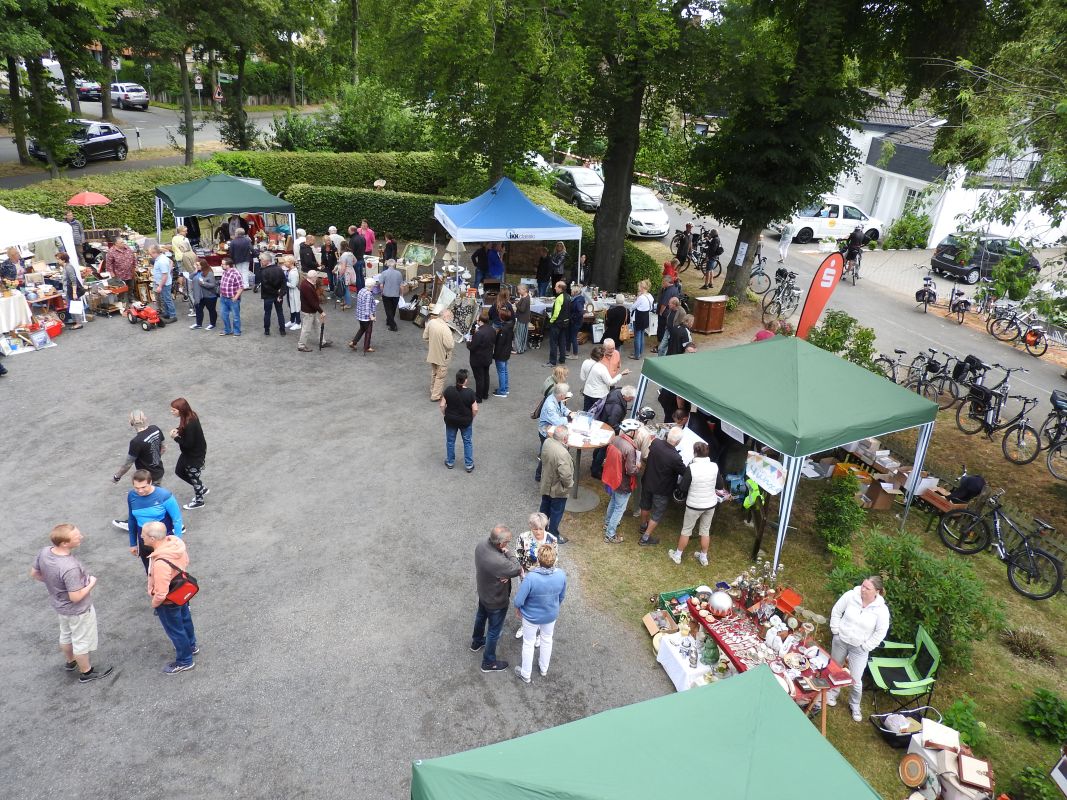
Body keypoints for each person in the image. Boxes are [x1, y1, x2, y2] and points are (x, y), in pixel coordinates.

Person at [30, 523, 112, 683]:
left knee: (66, 635)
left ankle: (70, 661)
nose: (81, 537)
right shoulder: (69, 567)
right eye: (76, 536)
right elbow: (75, 597)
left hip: (60, 606)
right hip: (78, 610)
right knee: (81, 641)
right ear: (64, 543)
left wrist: (55, 585)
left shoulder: (45, 552)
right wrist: (92, 583)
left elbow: (34, 573)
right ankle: (86, 672)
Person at [827, 577, 891, 722]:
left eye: (867, 588)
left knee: (856, 679)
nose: (863, 589)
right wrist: (835, 631)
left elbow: (881, 632)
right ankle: (831, 694)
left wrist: (866, 647)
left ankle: (855, 705)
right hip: (841, 640)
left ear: (877, 591)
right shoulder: (850, 596)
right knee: (834, 670)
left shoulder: (882, 610)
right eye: (863, 586)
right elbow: (836, 611)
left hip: (860, 649)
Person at [142, 521, 198, 674]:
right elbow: (186, 561)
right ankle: (191, 645)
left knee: (175, 630)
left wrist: (155, 603)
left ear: (152, 538)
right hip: (180, 592)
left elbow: (161, 593)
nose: (141, 537)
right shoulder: (175, 545)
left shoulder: (160, 562)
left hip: (168, 601)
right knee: (185, 620)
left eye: (143, 535)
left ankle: (185, 660)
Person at [512, 543, 567, 684]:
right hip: (550, 616)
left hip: (531, 617)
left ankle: (526, 673)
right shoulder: (561, 575)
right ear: (554, 559)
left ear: (538, 559)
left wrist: (518, 609)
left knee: (528, 643)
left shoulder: (531, 578)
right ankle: (544, 668)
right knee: (547, 640)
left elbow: (518, 600)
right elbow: (561, 597)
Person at [471, 525, 521, 673]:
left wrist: (503, 572)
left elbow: (502, 569)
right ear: (500, 544)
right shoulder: (499, 561)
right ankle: (488, 662)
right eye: (507, 542)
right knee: (494, 631)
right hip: (496, 600)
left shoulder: (481, 545)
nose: (508, 544)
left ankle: (476, 642)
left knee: (481, 616)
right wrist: (508, 553)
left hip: (483, 592)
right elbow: (517, 568)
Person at [111, 409, 166, 532]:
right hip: (158, 470)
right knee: (153, 499)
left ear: (131, 423)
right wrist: (154, 459)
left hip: (146, 477)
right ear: (145, 418)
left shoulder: (136, 442)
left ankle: (132, 524)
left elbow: (128, 464)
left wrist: (117, 476)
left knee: (141, 500)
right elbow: (163, 448)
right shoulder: (156, 429)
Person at [669, 441, 722, 566]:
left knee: (686, 530)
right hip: (710, 504)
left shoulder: (691, 468)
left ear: (695, 453)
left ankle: (678, 555)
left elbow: (683, 487)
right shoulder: (714, 466)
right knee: (705, 531)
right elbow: (720, 485)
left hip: (694, 505)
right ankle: (703, 557)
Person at [125, 470, 184, 573]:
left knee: (168, 572)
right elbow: (132, 519)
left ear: (151, 482)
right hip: (144, 541)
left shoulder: (164, 495)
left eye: (143, 487)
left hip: (163, 541)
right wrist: (133, 543)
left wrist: (177, 542)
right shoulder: (131, 496)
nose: (140, 491)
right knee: (150, 571)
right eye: (136, 488)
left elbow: (177, 519)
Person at [639, 426, 686, 547]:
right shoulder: (675, 457)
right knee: (657, 513)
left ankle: (643, 526)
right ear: (678, 442)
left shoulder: (656, 443)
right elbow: (684, 472)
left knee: (645, 504)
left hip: (648, 482)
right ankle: (645, 538)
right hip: (661, 489)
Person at [602, 418, 641, 543]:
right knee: (619, 509)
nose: (638, 432)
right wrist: (638, 467)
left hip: (613, 479)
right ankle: (610, 535)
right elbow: (631, 471)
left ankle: (607, 523)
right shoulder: (630, 448)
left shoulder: (615, 439)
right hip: (623, 483)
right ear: (631, 432)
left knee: (613, 502)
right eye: (636, 430)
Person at [169, 397, 208, 510]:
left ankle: (199, 501)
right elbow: (184, 429)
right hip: (189, 453)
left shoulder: (189, 423)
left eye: (174, 410)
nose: (172, 412)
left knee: (194, 477)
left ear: (181, 410)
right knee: (179, 471)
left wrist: (175, 437)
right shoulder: (190, 416)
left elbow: (188, 444)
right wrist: (178, 429)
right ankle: (201, 488)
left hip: (194, 455)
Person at [590, 384, 636, 479]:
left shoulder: (618, 392)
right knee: (603, 449)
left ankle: (594, 465)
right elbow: (612, 423)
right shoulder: (617, 407)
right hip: (606, 429)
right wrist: (622, 431)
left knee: (599, 447)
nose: (632, 399)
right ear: (626, 396)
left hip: (602, 423)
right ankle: (595, 470)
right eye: (631, 398)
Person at [539, 425, 574, 544]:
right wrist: (569, 485)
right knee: (556, 512)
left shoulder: (547, 442)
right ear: (565, 438)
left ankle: (540, 530)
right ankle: (553, 534)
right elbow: (566, 476)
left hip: (546, 483)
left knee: (544, 508)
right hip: (557, 489)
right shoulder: (563, 453)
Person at [441, 368, 478, 472]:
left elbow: (442, 405)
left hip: (451, 421)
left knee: (450, 441)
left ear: (456, 379)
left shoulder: (449, 390)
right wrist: (471, 417)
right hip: (465, 422)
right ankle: (469, 465)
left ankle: (450, 462)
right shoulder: (470, 393)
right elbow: (475, 409)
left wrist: (446, 414)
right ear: (465, 380)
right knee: (467, 442)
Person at [536, 382, 572, 482]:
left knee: (549, 454)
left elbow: (563, 409)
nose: (567, 395)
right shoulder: (550, 405)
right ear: (561, 395)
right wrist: (569, 418)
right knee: (546, 456)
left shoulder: (556, 398)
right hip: (546, 433)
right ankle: (539, 475)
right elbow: (556, 421)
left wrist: (569, 413)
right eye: (565, 394)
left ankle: (552, 472)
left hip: (552, 430)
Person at [582, 345, 629, 411]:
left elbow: (583, 378)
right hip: (599, 395)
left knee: (586, 412)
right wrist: (621, 374)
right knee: (598, 413)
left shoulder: (585, 362)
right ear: (601, 357)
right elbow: (610, 382)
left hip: (587, 392)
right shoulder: (601, 368)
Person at [423, 308, 455, 401]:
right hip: (443, 356)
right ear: (445, 316)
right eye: (450, 316)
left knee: (434, 373)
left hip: (433, 354)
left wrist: (432, 345)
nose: (451, 318)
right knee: (440, 376)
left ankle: (433, 390)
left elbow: (425, 337)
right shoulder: (445, 329)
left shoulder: (431, 322)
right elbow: (449, 345)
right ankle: (436, 395)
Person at [467, 310, 496, 402]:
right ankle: (485, 394)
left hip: (478, 359)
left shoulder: (479, 333)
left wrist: (468, 342)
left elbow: (472, 347)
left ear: (480, 321)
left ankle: (479, 397)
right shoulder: (492, 330)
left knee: (479, 378)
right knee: (486, 376)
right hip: (487, 357)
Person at [297, 270, 329, 352]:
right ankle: (301, 345)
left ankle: (322, 342)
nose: (317, 278)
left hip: (310, 311)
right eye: (316, 277)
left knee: (317, 326)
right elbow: (312, 302)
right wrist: (321, 311)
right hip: (309, 311)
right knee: (306, 329)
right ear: (313, 277)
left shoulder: (305, 283)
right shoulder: (307, 287)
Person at [349, 277, 378, 354]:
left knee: (362, 329)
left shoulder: (361, 290)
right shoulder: (368, 294)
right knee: (368, 332)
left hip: (360, 315)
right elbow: (367, 307)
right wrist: (371, 316)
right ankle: (366, 347)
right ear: (371, 286)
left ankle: (353, 342)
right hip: (366, 317)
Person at [259, 254, 287, 335]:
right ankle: (282, 330)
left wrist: (277, 293)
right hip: (278, 296)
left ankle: (267, 330)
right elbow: (284, 283)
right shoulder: (279, 269)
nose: (261, 262)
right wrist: (280, 294)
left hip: (268, 295)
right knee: (280, 312)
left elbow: (266, 286)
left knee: (267, 313)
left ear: (266, 261)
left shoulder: (264, 271)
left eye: (262, 260)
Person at [56, 252, 85, 329]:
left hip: (71, 290)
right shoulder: (65, 267)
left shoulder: (68, 267)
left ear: (63, 260)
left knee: (74, 305)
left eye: (58, 259)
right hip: (68, 290)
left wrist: (74, 293)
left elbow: (73, 280)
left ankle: (79, 323)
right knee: (71, 306)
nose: (57, 261)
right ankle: (76, 321)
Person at [545, 281, 570, 367]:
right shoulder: (568, 296)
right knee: (562, 342)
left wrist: (551, 321)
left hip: (557, 323)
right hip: (565, 323)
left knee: (553, 342)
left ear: (560, 288)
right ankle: (562, 360)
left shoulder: (559, 298)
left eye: (556, 286)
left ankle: (552, 362)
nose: (554, 288)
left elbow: (556, 313)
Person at [149, 244, 177, 322]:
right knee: (164, 299)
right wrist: (169, 270)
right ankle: (167, 313)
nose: (150, 255)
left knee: (167, 300)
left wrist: (160, 286)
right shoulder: (161, 257)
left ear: (155, 252)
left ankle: (173, 316)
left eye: (150, 254)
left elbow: (165, 275)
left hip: (164, 284)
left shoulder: (161, 261)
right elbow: (171, 262)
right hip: (163, 283)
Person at [217, 258, 243, 336]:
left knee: (235, 316)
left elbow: (241, 287)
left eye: (223, 264)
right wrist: (221, 294)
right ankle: (227, 330)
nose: (221, 265)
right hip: (223, 298)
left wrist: (235, 297)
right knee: (223, 315)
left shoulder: (236, 274)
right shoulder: (224, 272)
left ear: (228, 265)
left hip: (232, 299)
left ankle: (237, 331)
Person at [492, 307, 515, 397]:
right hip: (506, 352)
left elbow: (499, 344)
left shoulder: (503, 329)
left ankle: (502, 391)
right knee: (504, 371)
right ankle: (505, 388)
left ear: (502, 317)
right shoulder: (510, 326)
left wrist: (494, 354)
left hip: (501, 353)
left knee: (501, 371)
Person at [378, 259, 405, 332]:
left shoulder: (384, 273)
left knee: (388, 310)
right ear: (394, 265)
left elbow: (381, 285)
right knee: (393, 309)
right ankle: (389, 321)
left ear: (388, 265)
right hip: (396, 294)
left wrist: (382, 292)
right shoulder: (399, 273)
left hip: (386, 294)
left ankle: (393, 326)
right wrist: (401, 294)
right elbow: (401, 286)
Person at [629, 280, 654, 359]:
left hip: (638, 317)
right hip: (645, 317)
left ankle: (637, 355)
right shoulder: (650, 296)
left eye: (639, 286)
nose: (638, 288)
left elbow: (633, 307)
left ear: (642, 288)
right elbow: (651, 308)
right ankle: (640, 352)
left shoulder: (641, 297)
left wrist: (637, 298)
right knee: (642, 335)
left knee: (637, 336)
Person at [335, 241, 356, 310]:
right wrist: (350, 265)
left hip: (346, 272)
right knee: (345, 287)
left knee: (346, 288)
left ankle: (348, 304)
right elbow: (355, 261)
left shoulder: (344, 255)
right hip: (351, 270)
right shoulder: (350, 253)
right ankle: (346, 302)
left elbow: (343, 267)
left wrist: (340, 275)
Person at [283, 255, 302, 330]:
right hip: (290, 291)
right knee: (292, 306)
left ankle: (298, 323)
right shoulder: (290, 270)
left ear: (290, 262)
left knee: (296, 306)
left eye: (285, 262)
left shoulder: (293, 273)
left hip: (294, 292)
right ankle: (292, 321)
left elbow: (293, 285)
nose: (284, 263)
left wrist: (284, 282)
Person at [567, 285, 586, 357]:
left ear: (575, 292)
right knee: (570, 336)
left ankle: (575, 354)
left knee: (573, 337)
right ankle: (567, 350)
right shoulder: (577, 298)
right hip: (575, 321)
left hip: (575, 322)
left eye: (572, 291)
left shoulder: (577, 301)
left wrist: (572, 317)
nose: (571, 292)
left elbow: (580, 312)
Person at [513, 284, 531, 353]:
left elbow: (522, 309)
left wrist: (516, 304)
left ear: (524, 290)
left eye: (519, 290)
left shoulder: (525, 299)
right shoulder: (525, 297)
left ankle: (518, 349)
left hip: (522, 319)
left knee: (519, 335)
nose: (518, 291)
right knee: (523, 334)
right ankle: (522, 348)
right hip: (524, 319)